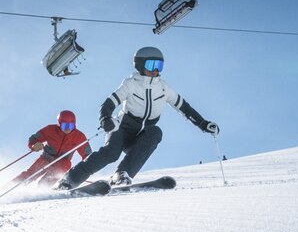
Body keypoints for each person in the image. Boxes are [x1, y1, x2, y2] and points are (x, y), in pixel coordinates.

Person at [57, 47, 219, 189]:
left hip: (142, 135)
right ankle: (69, 179)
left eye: (159, 66)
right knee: (111, 153)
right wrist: (105, 118)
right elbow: (109, 103)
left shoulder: (163, 88)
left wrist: (203, 124)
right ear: (140, 66)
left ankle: (121, 174)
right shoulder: (131, 84)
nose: (156, 70)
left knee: (156, 132)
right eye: (151, 65)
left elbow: (185, 108)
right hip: (122, 128)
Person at [11, 110, 92, 187]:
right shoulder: (50, 130)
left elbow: (88, 155)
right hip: (46, 158)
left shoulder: (79, 137)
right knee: (31, 174)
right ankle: (11, 186)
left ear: (74, 124)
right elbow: (33, 139)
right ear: (59, 124)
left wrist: (83, 170)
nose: (68, 129)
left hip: (62, 163)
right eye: (64, 126)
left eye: (71, 126)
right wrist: (34, 145)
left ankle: (41, 189)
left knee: (62, 167)